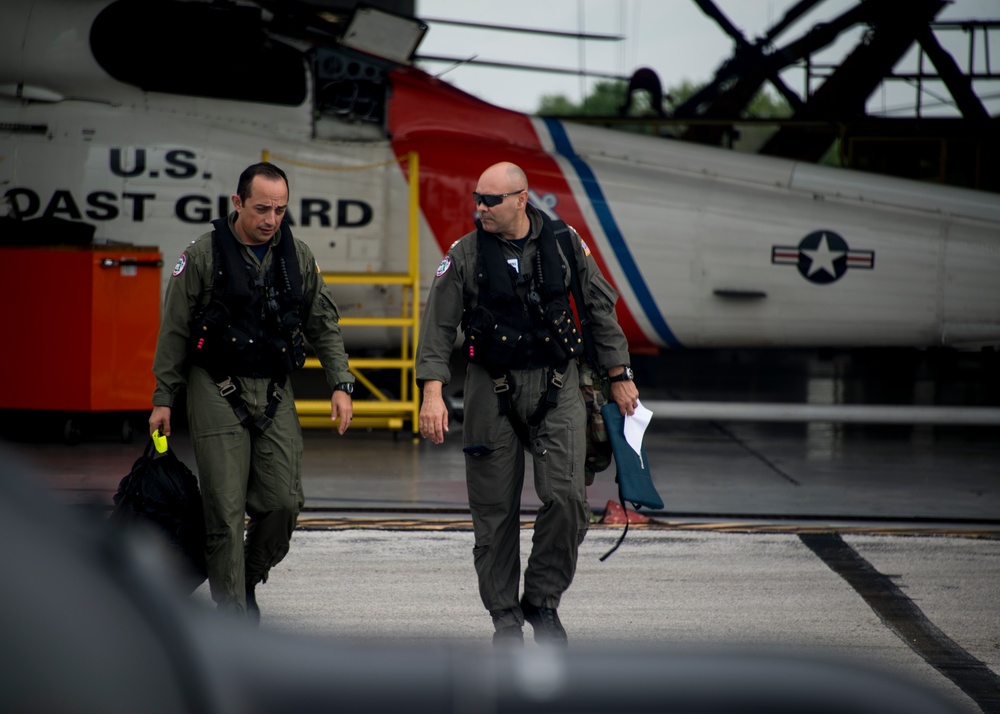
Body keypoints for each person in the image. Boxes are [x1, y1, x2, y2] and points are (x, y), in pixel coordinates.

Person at [416, 162, 639, 646]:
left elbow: (600, 308)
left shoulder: (563, 243)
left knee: (569, 500)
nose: (480, 208)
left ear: (521, 199)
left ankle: (541, 600)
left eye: (491, 200)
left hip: (557, 385)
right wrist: (432, 392)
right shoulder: (465, 254)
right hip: (488, 391)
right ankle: (505, 620)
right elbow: (436, 329)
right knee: (493, 514)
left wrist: (620, 375)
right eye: (477, 198)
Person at [149, 162, 355, 622]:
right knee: (223, 510)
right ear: (237, 203)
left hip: (275, 390)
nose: (271, 219)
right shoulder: (203, 256)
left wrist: (340, 384)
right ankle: (233, 615)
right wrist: (164, 398)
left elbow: (323, 323)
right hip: (216, 386)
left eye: (280, 210)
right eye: (262, 208)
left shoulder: (296, 256)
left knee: (283, 502)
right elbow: (175, 331)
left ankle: (243, 577)